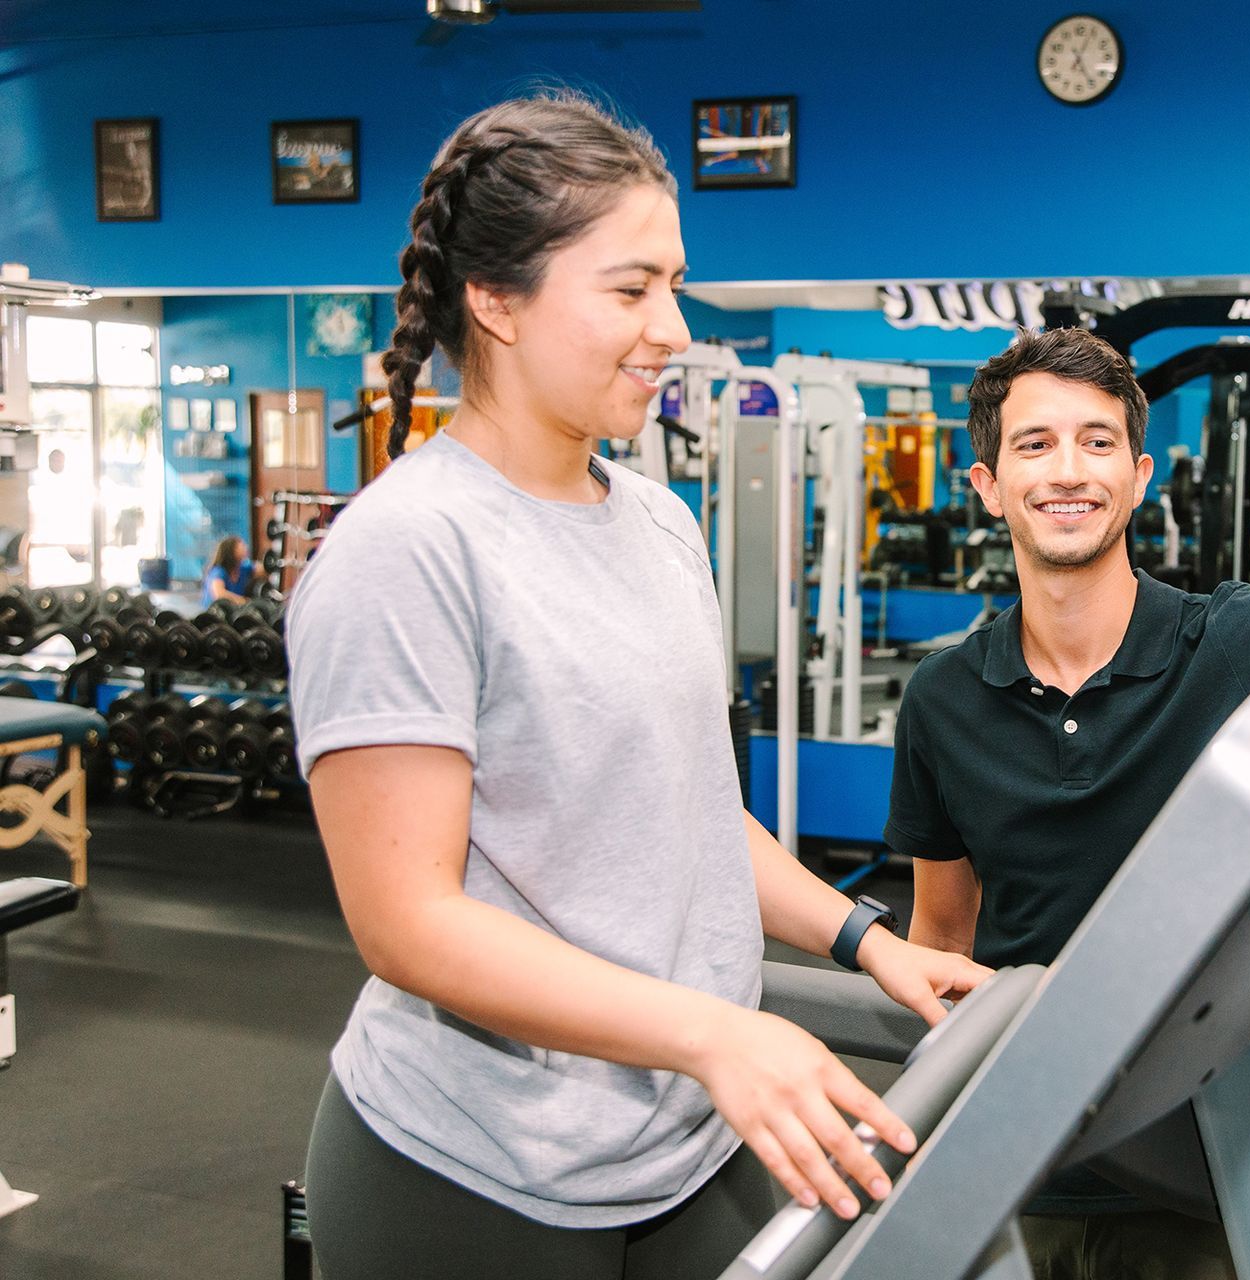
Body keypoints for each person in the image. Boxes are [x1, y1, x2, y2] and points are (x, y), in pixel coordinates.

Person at [287, 94, 989, 1280]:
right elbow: (406, 922)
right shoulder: (407, 546)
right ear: (495, 300)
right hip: (474, 1173)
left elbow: (694, 815)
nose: (672, 325)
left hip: (685, 1140)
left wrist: (866, 940)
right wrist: (716, 1033)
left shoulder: (660, 521)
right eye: (630, 288)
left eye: (674, 282)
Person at [887, 327, 1250, 1280]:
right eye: (1034, 444)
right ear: (985, 485)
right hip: (1019, 1163)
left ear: (1140, 475)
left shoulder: (1242, 641)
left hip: (1206, 1156)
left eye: (1098, 442)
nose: (1070, 470)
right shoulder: (942, 699)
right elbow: (941, 937)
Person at [201, 534, 254, 605]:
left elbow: (263, 569)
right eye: (242, 546)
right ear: (232, 551)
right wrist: (245, 602)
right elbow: (219, 594)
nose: (245, 548)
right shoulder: (218, 571)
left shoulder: (243, 568)